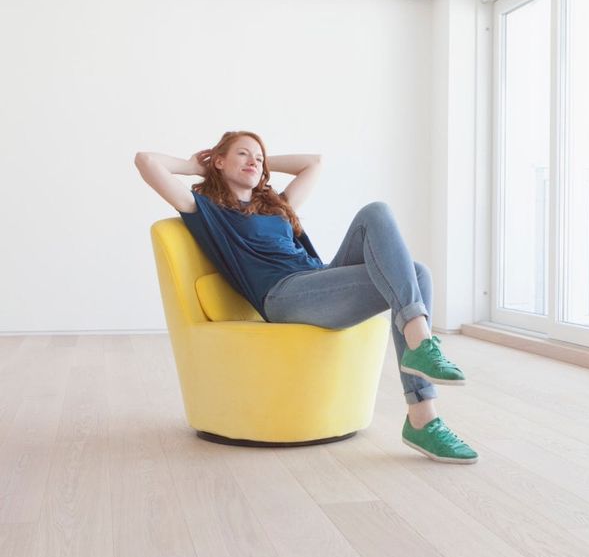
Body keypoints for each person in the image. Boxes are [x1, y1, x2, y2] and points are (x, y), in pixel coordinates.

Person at [135, 130, 479, 464]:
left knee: (396, 240)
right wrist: (195, 166)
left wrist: (261, 162)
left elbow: (313, 163)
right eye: (242, 154)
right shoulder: (207, 211)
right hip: (283, 296)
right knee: (413, 275)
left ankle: (421, 404)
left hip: (317, 280)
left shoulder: (276, 206)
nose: (254, 161)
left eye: (259, 158)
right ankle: (422, 374)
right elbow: (146, 161)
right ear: (220, 161)